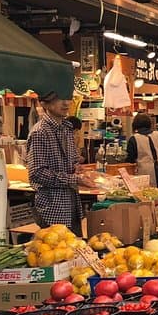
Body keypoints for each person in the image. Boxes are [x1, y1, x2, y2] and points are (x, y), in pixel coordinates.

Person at [27, 91, 96, 235]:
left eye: (67, 98)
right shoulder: (40, 132)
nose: (66, 103)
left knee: (76, 247)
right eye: (59, 99)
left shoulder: (67, 128)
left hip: (73, 204)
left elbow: (72, 162)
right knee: (56, 248)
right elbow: (37, 173)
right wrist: (74, 179)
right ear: (44, 103)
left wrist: (77, 169)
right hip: (52, 208)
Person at [126, 113, 158, 186]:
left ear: (135, 125)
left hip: (145, 172)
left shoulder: (134, 139)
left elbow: (130, 159)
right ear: (149, 124)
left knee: (149, 191)